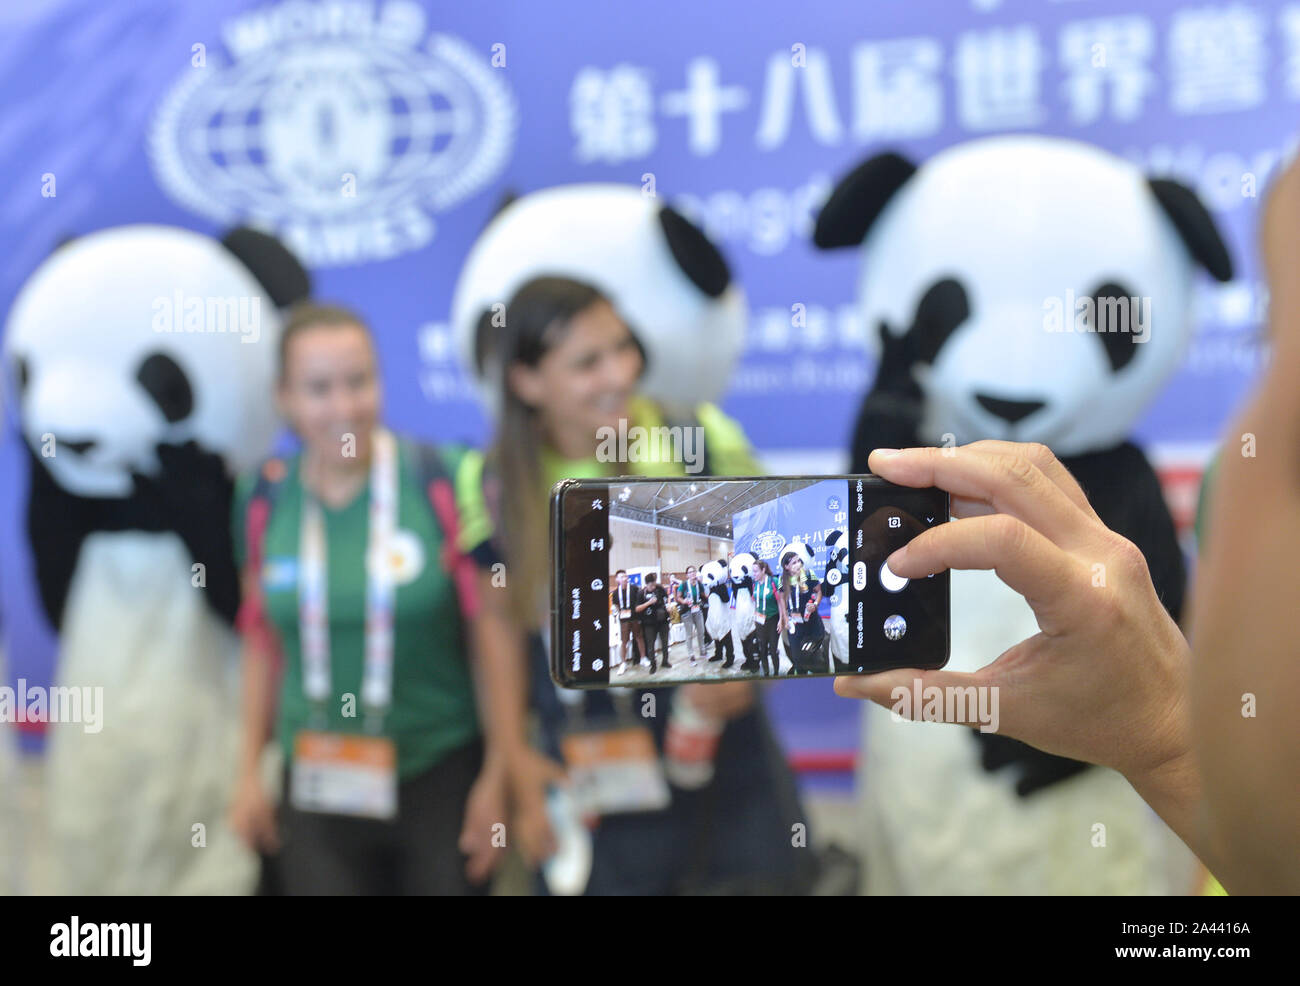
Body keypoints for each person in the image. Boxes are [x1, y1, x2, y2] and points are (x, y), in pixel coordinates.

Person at [458, 275, 817, 894]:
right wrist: (513, 758)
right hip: (587, 748)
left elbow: (791, 568)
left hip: (720, 743)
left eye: (623, 347)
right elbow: (498, 623)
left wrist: (755, 668)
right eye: (587, 362)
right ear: (526, 382)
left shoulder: (697, 438)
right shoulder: (490, 480)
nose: (619, 373)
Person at [226, 302, 529, 895]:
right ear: (284, 398)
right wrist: (246, 773)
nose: (344, 407)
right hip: (314, 778)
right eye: (319, 389)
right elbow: (261, 640)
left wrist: (501, 770)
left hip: (438, 772)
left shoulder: (445, 477)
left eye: (358, 381)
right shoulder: (261, 496)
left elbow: (493, 635)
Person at [780, 549, 823, 674]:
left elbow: (819, 591)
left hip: (811, 622)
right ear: (786, 567)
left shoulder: (809, 574)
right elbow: (782, 599)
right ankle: (800, 674)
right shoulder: (782, 580)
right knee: (797, 656)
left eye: (799, 561)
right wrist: (785, 618)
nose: (798, 564)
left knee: (812, 655)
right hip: (795, 624)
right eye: (794, 563)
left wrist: (815, 604)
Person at [610, 569, 646, 675]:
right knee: (624, 642)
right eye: (621, 577)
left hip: (635, 618)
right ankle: (623, 663)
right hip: (624, 620)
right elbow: (616, 606)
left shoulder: (635, 589)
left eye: (625, 576)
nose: (624, 578)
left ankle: (643, 658)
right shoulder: (616, 593)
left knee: (639, 638)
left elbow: (639, 601)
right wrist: (618, 612)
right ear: (617, 579)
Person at [636, 572, 671, 672]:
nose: (653, 587)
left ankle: (665, 661)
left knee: (665, 642)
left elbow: (667, 597)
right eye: (651, 585)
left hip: (663, 620)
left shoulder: (660, 588)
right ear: (646, 584)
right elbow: (637, 608)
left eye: (654, 584)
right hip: (649, 623)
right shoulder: (641, 593)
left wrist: (668, 605)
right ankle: (653, 665)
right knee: (650, 645)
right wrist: (649, 603)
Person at [752, 559, 781, 675]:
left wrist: (781, 620)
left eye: (756, 571)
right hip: (759, 621)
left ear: (763, 570)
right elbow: (755, 600)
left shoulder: (774, 581)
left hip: (773, 620)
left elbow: (780, 602)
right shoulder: (754, 584)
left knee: (773, 651)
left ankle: (776, 674)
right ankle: (766, 674)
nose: (754, 574)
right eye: (752, 572)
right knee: (762, 649)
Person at [675, 565, 707, 664]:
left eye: (693, 571)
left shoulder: (699, 584)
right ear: (687, 575)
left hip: (697, 610)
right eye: (690, 572)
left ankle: (703, 651)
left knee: (701, 631)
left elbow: (703, 595)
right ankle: (691, 655)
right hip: (687, 612)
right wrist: (683, 601)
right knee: (689, 635)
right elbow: (678, 597)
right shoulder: (684, 585)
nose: (692, 573)